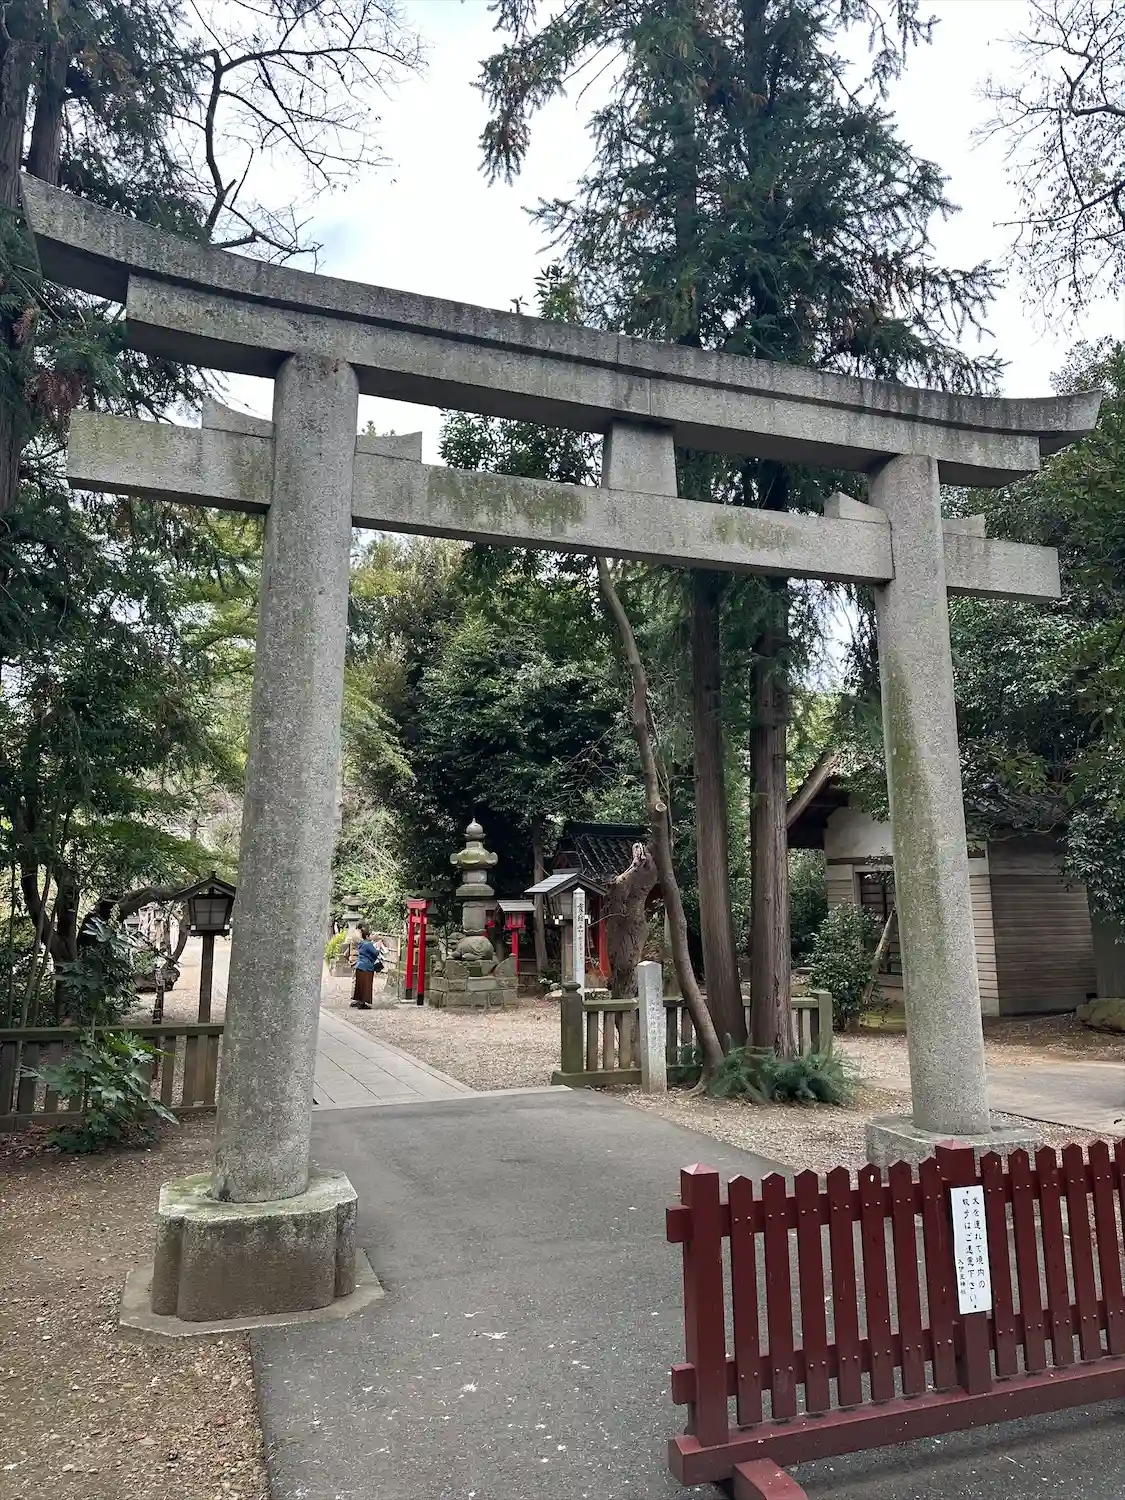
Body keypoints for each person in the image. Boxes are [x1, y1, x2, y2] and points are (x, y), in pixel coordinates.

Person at [349, 926, 382, 1009]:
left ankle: (359, 1001)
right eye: (370, 935)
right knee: (366, 986)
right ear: (367, 936)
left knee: (360, 986)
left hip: (359, 965)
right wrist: (378, 947)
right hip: (366, 967)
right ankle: (362, 1003)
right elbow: (375, 953)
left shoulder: (361, 943)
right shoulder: (368, 944)